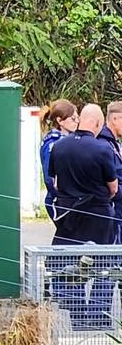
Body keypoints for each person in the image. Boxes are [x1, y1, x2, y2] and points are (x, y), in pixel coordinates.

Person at [47, 102, 118, 245]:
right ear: (98, 123)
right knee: (99, 263)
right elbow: (114, 188)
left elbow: (55, 184)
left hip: (68, 213)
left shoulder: (58, 146)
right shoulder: (102, 149)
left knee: (66, 260)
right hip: (98, 215)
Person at [39, 99, 78, 221]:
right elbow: (49, 177)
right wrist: (62, 196)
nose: (77, 121)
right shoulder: (53, 144)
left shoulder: (68, 140)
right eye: (72, 119)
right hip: (60, 200)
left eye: (77, 117)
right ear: (60, 121)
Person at [100, 101, 122, 243]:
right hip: (113, 207)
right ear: (115, 119)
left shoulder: (114, 143)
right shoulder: (104, 144)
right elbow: (110, 179)